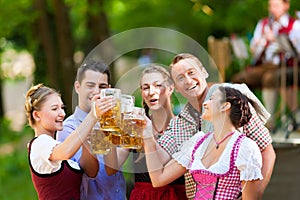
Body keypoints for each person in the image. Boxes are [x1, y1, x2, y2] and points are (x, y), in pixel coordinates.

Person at [142, 53, 276, 199]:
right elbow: (160, 161)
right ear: (176, 88)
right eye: (180, 78)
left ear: (204, 72)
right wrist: (145, 130)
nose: (188, 80)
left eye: (191, 72)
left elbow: (267, 150)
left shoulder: (231, 101)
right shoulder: (183, 121)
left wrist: (254, 194)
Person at [143, 86, 263, 199]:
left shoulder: (245, 147)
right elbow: (158, 179)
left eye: (211, 99)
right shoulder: (198, 142)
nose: (205, 103)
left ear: (225, 106)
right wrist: (147, 134)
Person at [56, 59, 126, 200]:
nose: (96, 92)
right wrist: (94, 118)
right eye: (90, 85)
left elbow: (113, 167)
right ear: (77, 87)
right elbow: (87, 171)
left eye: (102, 86)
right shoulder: (68, 127)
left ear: (109, 89)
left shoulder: (116, 121)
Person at [231, 0, 300, 130]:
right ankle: (245, 120)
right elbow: (254, 52)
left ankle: (269, 121)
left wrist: (277, 40)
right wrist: (259, 43)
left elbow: (296, 51)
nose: (272, 9)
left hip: (287, 65)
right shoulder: (263, 24)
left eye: (276, 5)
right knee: (239, 79)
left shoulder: (295, 25)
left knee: (270, 78)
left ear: (286, 5)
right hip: (265, 65)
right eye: (271, 5)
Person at [25, 83, 99, 200]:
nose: (62, 114)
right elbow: (66, 152)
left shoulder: (56, 146)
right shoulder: (39, 144)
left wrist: (87, 140)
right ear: (36, 115)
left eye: (62, 108)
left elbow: (91, 171)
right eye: (55, 109)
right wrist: (92, 115)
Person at [130, 64, 187, 199]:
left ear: (170, 88)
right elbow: (112, 168)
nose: (151, 92)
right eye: (146, 87)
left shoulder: (184, 127)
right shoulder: (136, 125)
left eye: (157, 85)